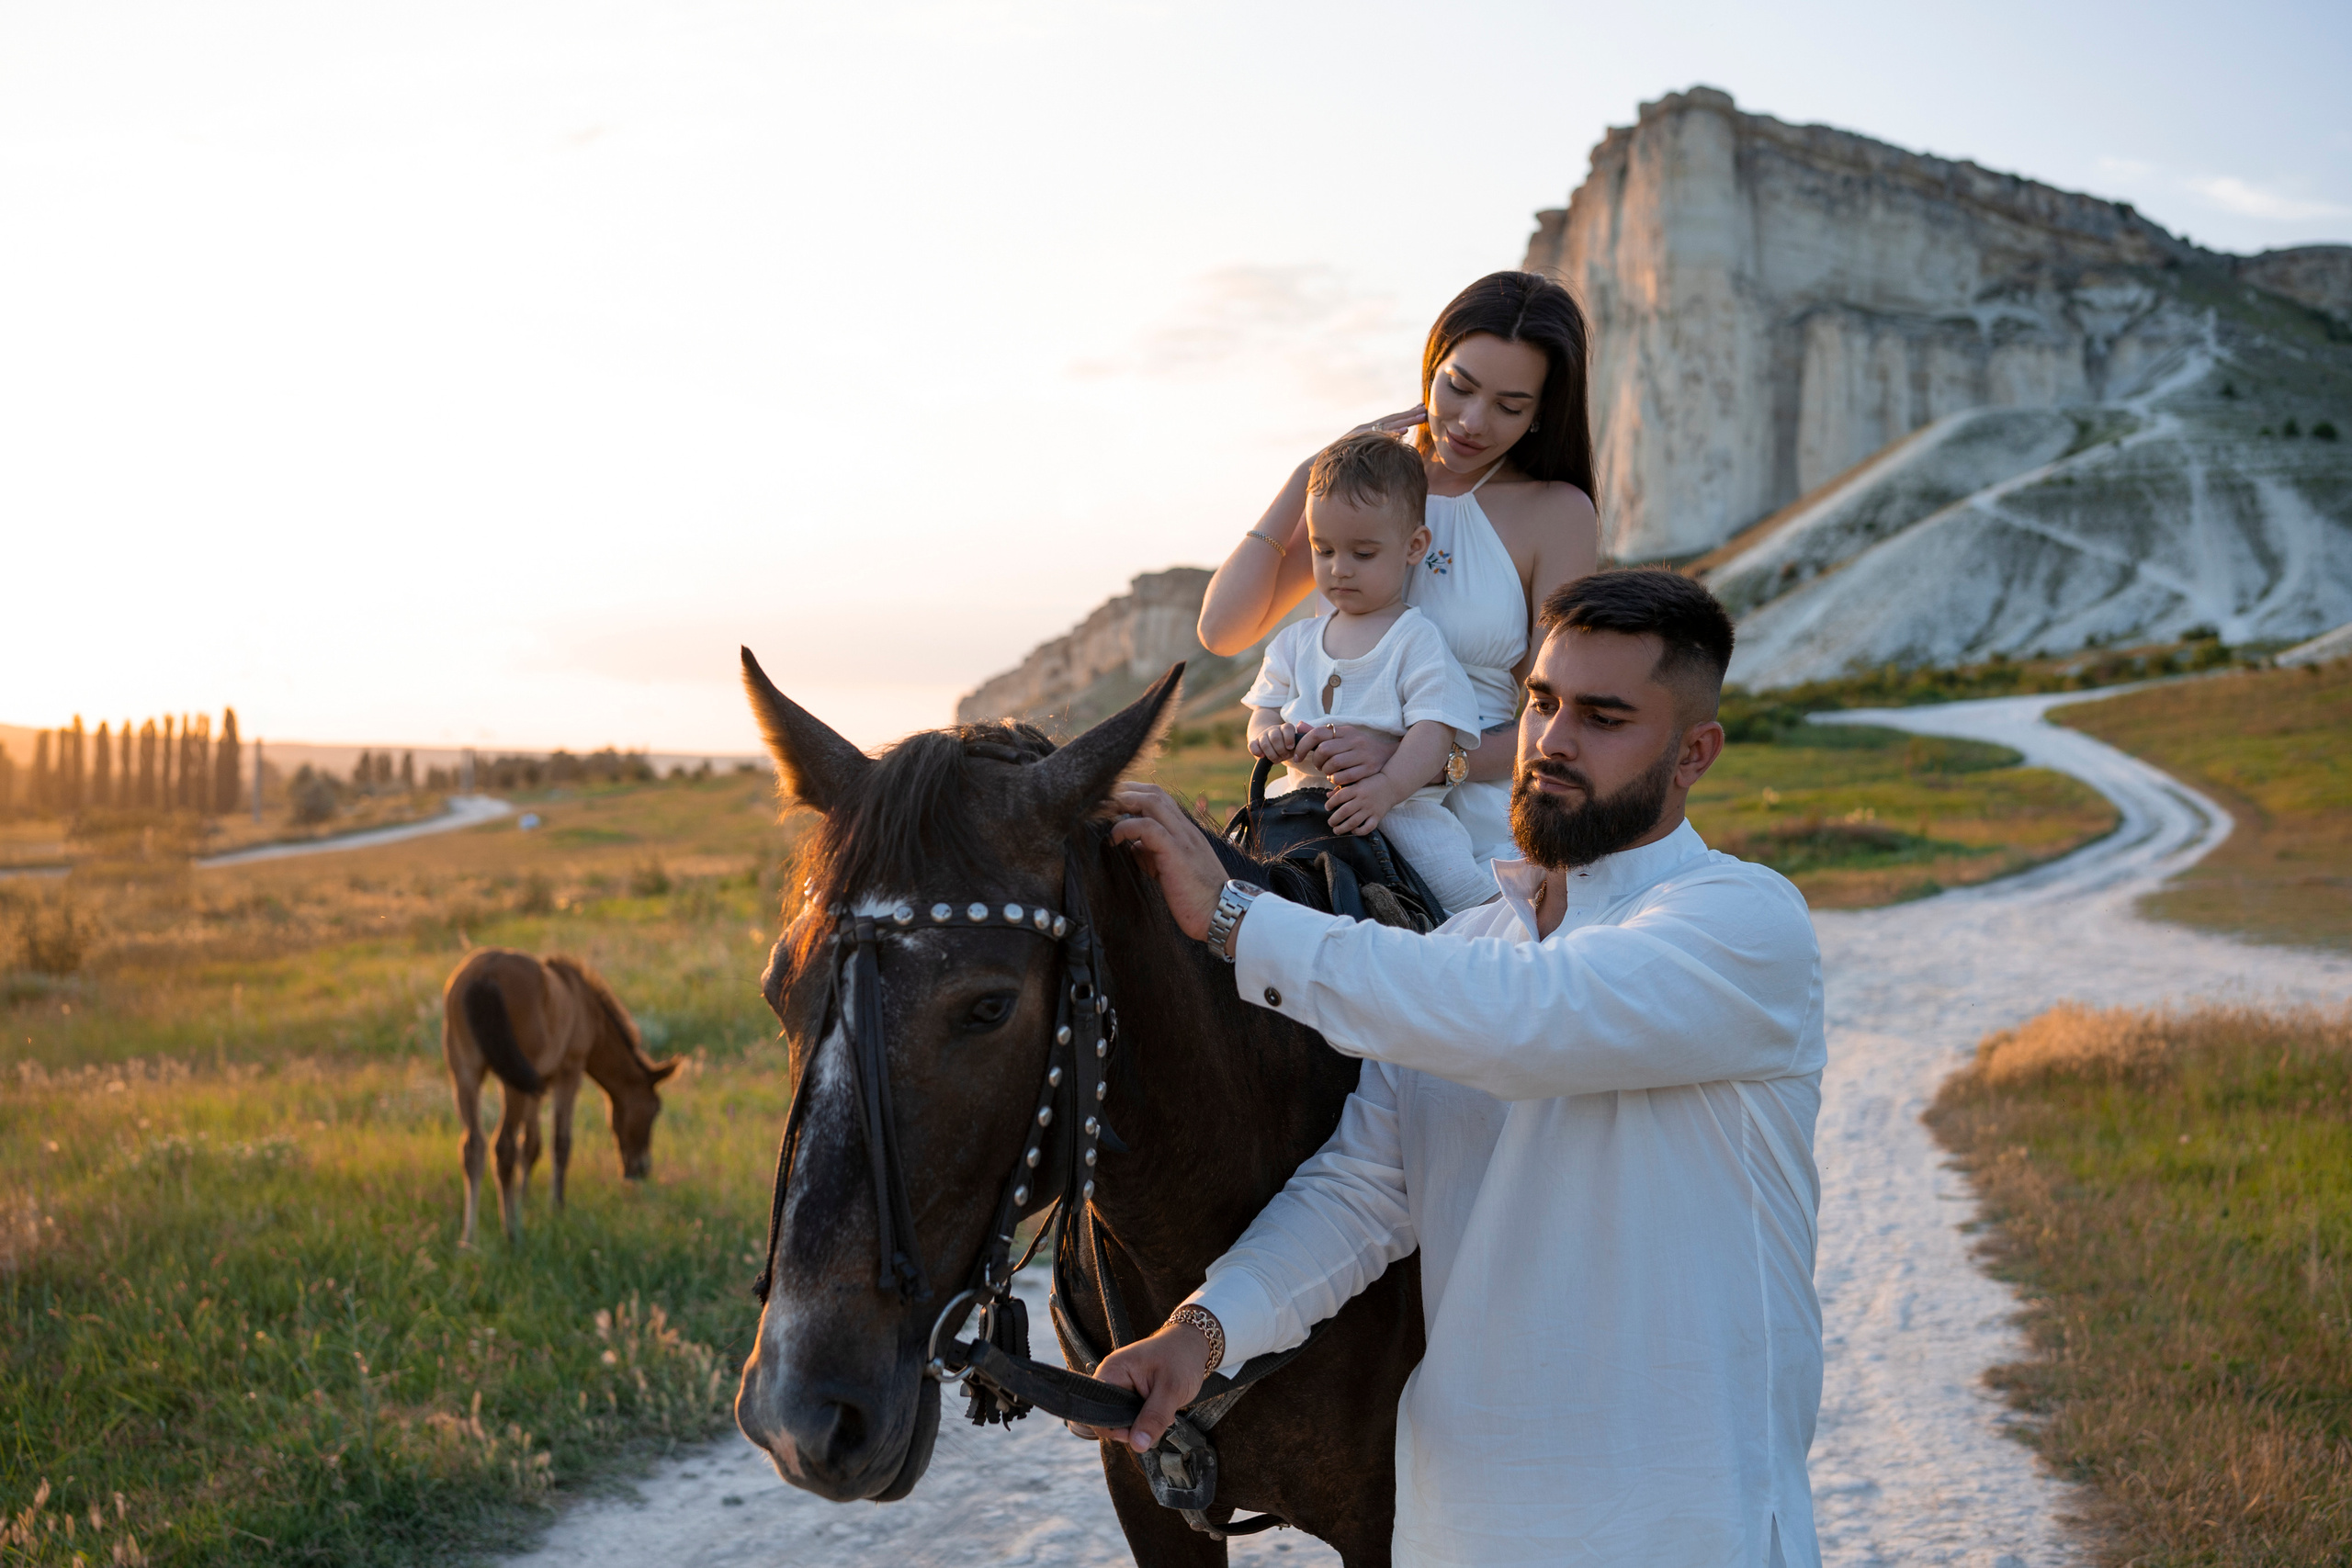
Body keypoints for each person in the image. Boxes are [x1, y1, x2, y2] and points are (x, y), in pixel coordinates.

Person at [1103, 570, 1827, 1568]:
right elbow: (1364, 1191)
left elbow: (1528, 1023)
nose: (1552, 741)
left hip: (1680, 1522)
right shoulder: (1462, 949)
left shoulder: (1741, 923)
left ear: (1692, 752)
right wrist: (1197, 1335)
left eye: (1604, 716)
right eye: (1540, 701)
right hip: (1462, 1527)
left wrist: (1235, 921)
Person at [1197, 271, 1601, 874]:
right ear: (1432, 367)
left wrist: (1411, 759)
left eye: (1509, 406)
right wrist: (1311, 471)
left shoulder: (1556, 512)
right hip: (1325, 802)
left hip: (1471, 812)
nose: (1470, 421)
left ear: (1541, 413)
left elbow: (1553, 718)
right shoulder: (1373, 493)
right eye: (1458, 387)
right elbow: (1223, 629)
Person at [1245, 429, 1491, 916]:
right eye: (1323, 550)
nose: (1340, 569)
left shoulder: (1414, 640)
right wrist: (1269, 737)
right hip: (1302, 807)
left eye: (1362, 554)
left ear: (1414, 545)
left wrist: (1387, 788)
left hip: (1399, 808)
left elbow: (1434, 731)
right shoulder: (1294, 643)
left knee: (1459, 896)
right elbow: (1263, 713)